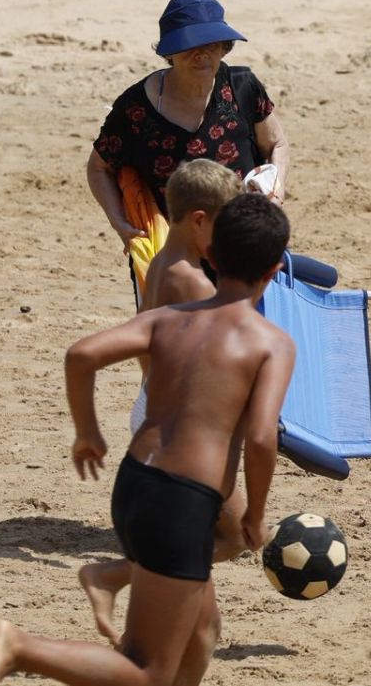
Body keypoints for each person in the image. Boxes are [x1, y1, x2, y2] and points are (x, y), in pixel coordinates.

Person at [0, 194, 296, 686]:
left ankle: (106, 577)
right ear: (274, 270)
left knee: (201, 628)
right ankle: (20, 647)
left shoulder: (168, 319)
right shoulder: (269, 342)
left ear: (211, 255)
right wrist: (254, 513)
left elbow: (81, 355)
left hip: (135, 485)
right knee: (147, 671)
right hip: (183, 502)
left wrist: (88, 431)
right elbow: (259, 439)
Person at [77, 158, 246, 652]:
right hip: (176, 429)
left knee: (200, 614)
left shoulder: (166, 264)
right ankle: (115, 576)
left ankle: (124, 585)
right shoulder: (191, 282)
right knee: (235, 535)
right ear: (198, 220)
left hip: (159, 411)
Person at [88, 0, 288, 250]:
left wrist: (276, 189)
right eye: (189, 46)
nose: (201, 54)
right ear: (169, 52)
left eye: (210, 44)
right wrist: (120, 224)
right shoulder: (136, 109)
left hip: (246, 241)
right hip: (171, 251)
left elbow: (277, 145)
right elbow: (99, 168)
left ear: (224, 48)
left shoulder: (242, 87)